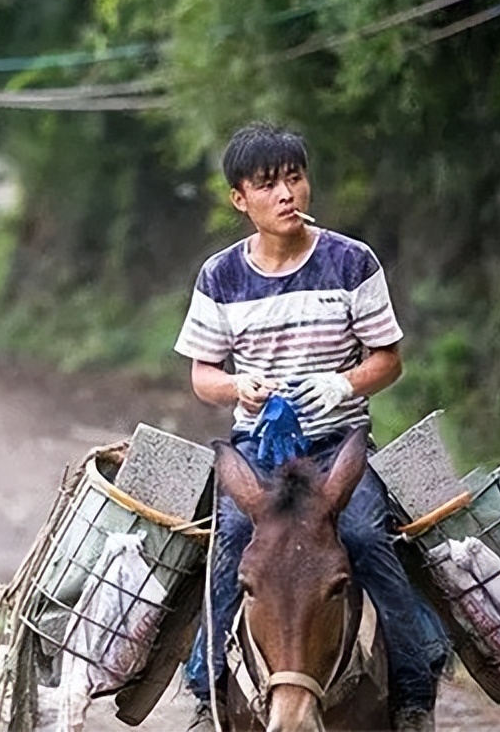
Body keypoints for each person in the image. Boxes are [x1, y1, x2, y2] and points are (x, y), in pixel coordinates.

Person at [173, 122, 449, 732]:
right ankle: (206, 688)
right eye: (268, 185)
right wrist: (237, 386)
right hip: (258, 451)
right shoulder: (219, 277)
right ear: (240, 200)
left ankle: (412, 690)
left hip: (336, 447)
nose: (287, 194)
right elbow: (203, 375)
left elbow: (389, 358)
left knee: (365, 534)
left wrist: (342, 384)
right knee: (233, 539)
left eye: (294, 178)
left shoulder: (352, 261)